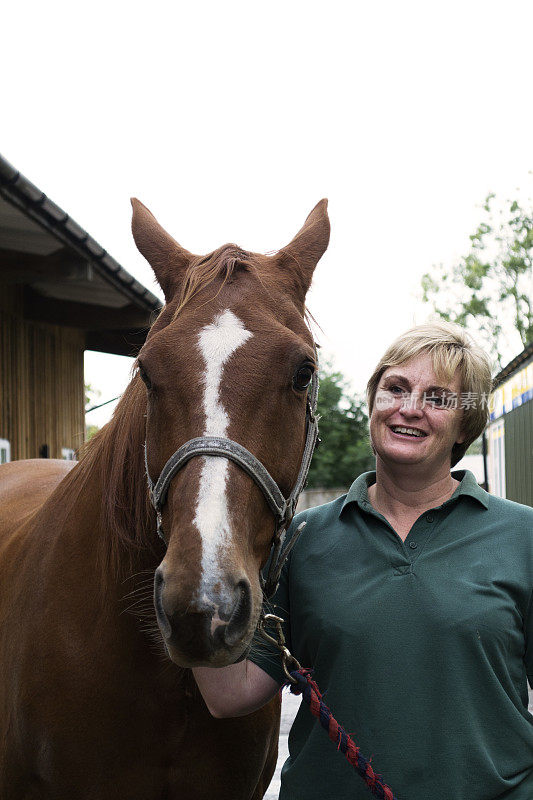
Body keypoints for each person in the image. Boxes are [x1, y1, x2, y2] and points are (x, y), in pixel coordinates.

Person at [193, 321, 533, 800]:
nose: (409, 408)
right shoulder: (302, 539)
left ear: (465, 425)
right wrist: (194, 546)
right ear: (374, 400)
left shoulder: (523, 536)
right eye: (395, 388)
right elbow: (229, 695)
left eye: (438, 398)